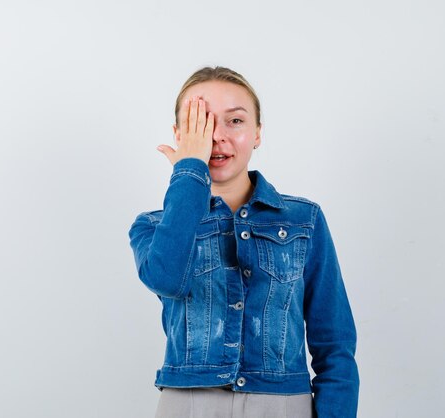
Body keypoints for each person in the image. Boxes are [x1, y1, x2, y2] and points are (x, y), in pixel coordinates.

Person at [128, 66, 359, 418]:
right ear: (180, 136)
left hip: (285, 404)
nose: (216, 136)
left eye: (234, 121)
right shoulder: (152, 225)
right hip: (188, 404)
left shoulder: (304, 219)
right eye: (200, 123)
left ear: (258, 134)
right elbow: (167, 279)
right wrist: (189, 170)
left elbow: (335, 345)